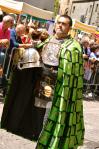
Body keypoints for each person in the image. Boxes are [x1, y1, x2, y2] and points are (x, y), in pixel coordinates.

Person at [36, 15, 85, 149]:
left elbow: (74, 72)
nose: (60, 26)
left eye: (64, 24)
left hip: (59, 87)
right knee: (39, 115)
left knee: (49, 116)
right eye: (58, 23)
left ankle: (47, 144)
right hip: (42, 84)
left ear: (69, 28)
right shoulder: (48, 41)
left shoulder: (74, 47)